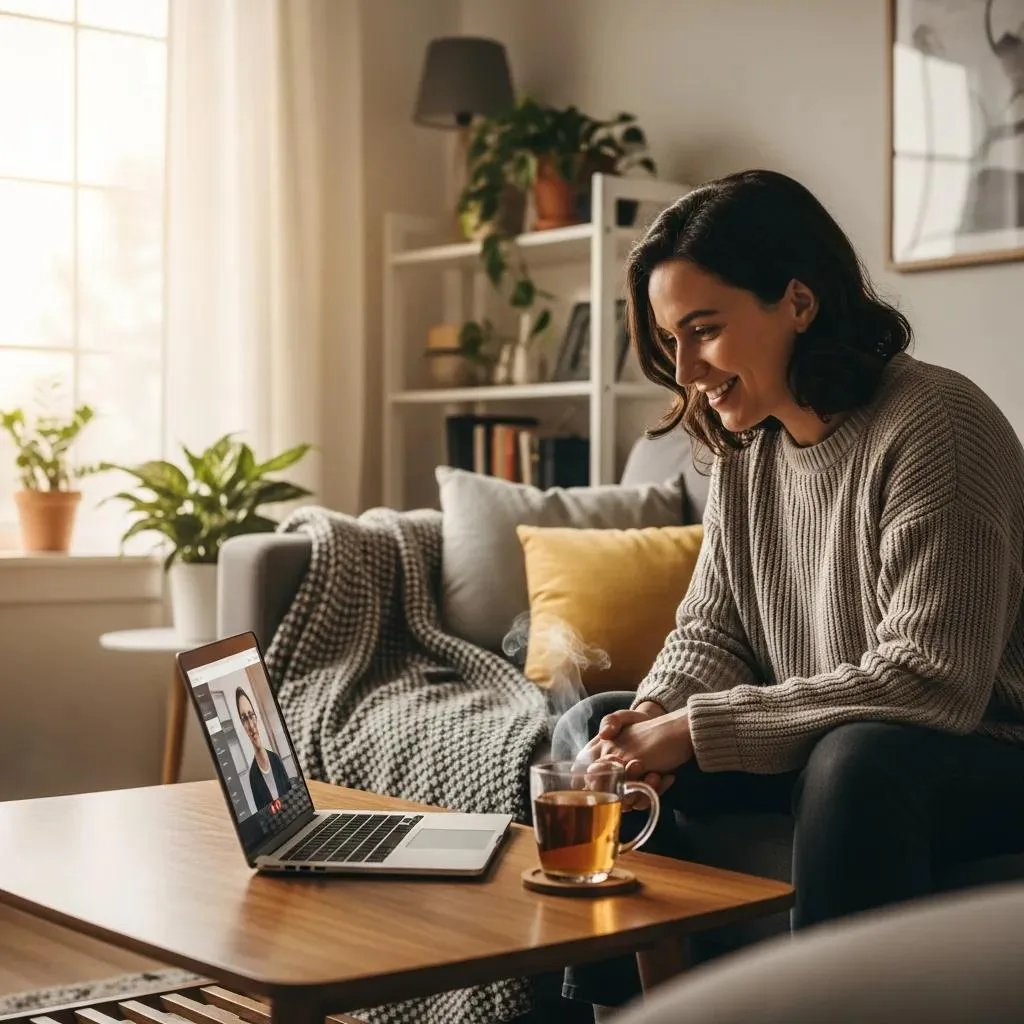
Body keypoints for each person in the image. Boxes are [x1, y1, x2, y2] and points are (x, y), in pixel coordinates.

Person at [551, 168, 1024, 1010]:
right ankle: (620, 1009)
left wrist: (695, 730)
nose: (686, 367)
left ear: (798, 303)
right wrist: (652, 719)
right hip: (828, 733)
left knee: (858, 763)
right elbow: (714, 632)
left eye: (704, 330)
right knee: (590, 726)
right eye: (672, 339)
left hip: (981, 746)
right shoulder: (749, 452)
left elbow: (932, 677)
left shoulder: (936, 424)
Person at [235, 687, 291, 812]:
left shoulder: (275, 759)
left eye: (251, 715)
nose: (250, 725)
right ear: (242, 726)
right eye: (244, 719)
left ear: (256, 717)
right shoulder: (252, 776)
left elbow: (291, 796)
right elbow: (263, 819)